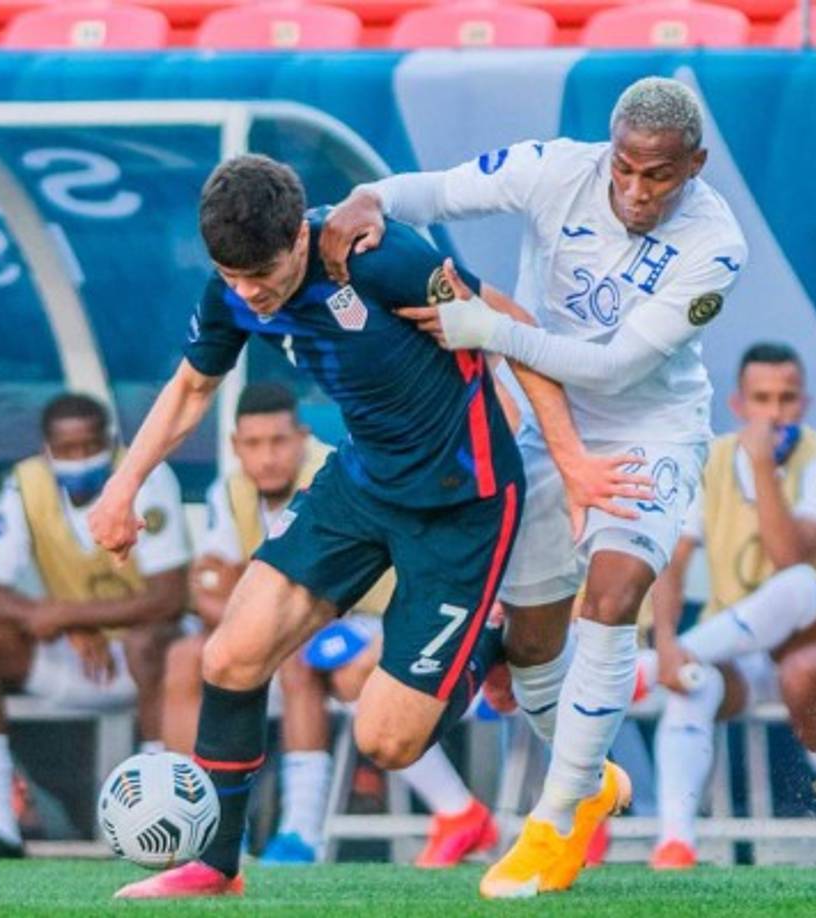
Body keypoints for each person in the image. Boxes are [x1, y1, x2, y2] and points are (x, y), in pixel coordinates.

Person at [87, 154, 637, 899]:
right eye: (231, 276)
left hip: (462, 503)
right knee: (230, 658)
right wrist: (123, 487)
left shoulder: (380, 257)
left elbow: (516, 328)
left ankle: (493, 645)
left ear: (298, 237)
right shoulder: (235, 288)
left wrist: (570, 461)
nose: (249, 294)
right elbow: (193, 385)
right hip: (362, 484)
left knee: (388, 740)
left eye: (262, 275)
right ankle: (216, 866)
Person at [321, 75, 747, 897]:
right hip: (553, 426)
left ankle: (551, 825)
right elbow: (438, 190)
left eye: (657, 174)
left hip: (650, 428)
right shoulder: (558, 168)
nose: (634, 189)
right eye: (625, 167)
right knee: (531, 641)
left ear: (695, 164)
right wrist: (368, 198)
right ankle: (590, 787)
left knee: (615, 592)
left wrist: (491, 330)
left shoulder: (717, 245)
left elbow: (617, 366)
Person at [163, 381, 497, 867]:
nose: (268, 457)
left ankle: (301, 831)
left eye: (279, 441)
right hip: (310, 626)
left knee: (305, 659)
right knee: (187, 657)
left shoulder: (338, 470)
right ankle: (199, 817)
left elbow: (257, 582)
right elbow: (207, 585)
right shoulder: (229, 489)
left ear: (302, 437)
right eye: (253, 444)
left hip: (373, 619)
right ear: (236, 446)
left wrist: (258, 604)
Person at [639, 342, 816, 868]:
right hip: (741, 651)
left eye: (786, 399)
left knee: (800, 586)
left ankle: (650, 670)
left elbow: (789, 557)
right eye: (763, 399)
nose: (774, 413)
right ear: (739, 405)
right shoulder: (709, 461)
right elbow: (671, 560)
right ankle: (676, 842)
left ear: (803, 404)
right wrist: (665, 640)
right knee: (696, 683)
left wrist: (760, 465)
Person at [0, 393, 190, 858]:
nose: (81, 459)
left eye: (91, 446)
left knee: (149, 643)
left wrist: (68, 615)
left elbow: (169, 597)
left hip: (143, 661)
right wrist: (53, 618)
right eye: (68, 449)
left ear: (111, 443)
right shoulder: (27, 483)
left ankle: (161, 816)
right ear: (46, 450)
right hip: (73, 660)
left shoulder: (144, 476)